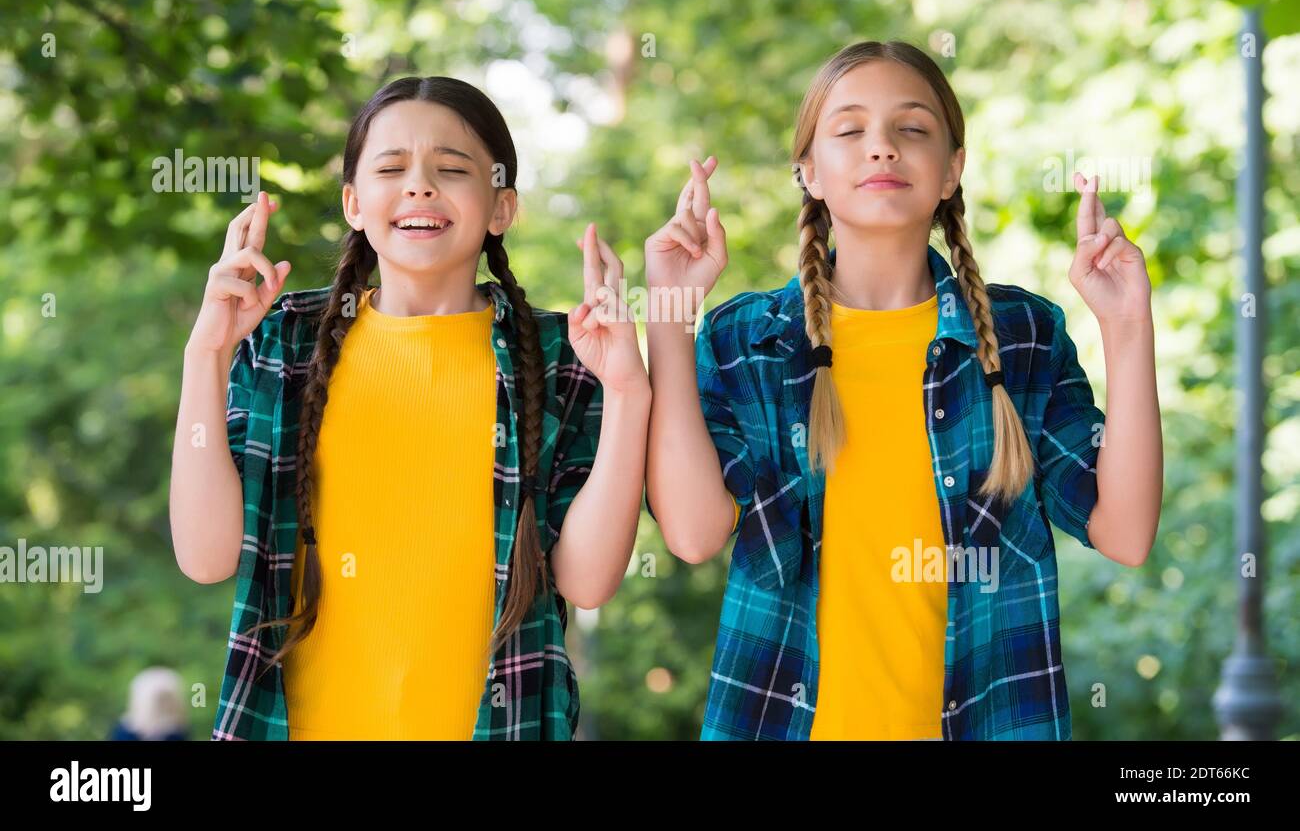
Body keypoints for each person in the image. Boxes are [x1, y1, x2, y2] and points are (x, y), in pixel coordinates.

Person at [643, 40, 1162, 740]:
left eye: (911, 128)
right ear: (810, 173)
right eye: (850, 130)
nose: (881, 148)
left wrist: (1127, 325)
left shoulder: (1022, 335)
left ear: (952, 170)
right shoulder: (749, 340)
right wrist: (671, 317)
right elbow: (693, 531)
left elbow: (1124, 532)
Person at [170, 76, 649, 739]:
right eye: (392, 168)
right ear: (354, 203)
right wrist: (207, 353)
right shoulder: (286, 339)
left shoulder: (564, 355)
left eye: (452, 169)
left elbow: (588, 581)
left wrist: (629, 390)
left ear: (501, 206)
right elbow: (206, 555)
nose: (420, 185)